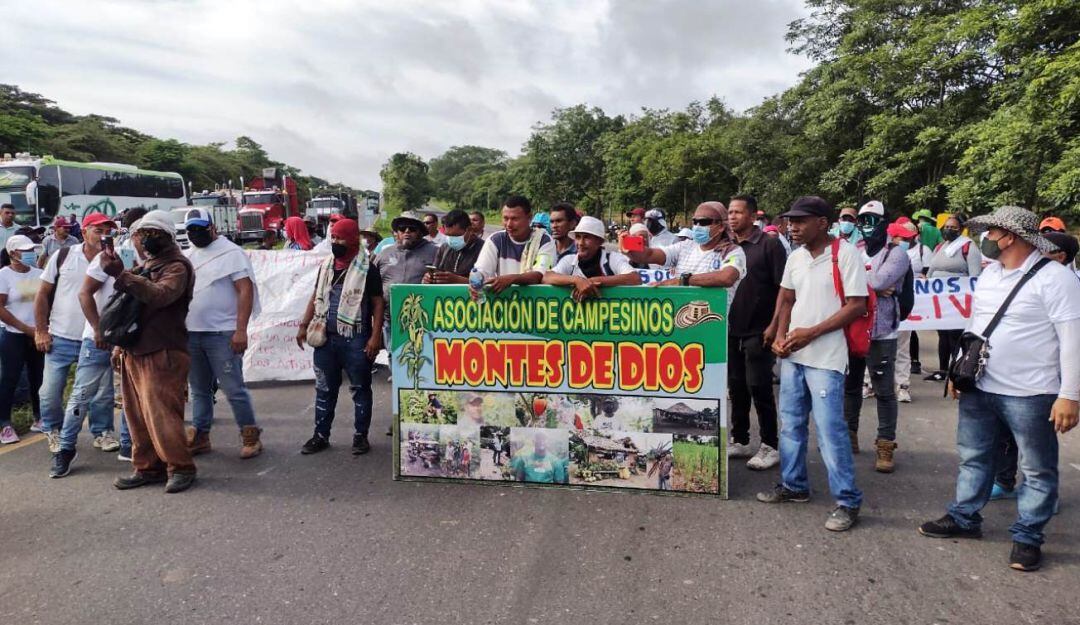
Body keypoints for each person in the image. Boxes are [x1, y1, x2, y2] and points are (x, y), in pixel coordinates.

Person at [918, 206, 1080, 573]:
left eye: (991, 232)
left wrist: (1070, 395)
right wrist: (957, 372)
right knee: (973, 456)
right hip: (980, 387)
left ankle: (1028, 536)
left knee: (1036, 468)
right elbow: (975, 327)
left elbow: (1073, 339)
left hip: (1032, 392)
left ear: (1012, 237)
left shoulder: (1056, 279)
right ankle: (964, 517)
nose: (985, 239)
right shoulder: (991, 275)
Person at [757, 196, 867, 533]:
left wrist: (812, 333)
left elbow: (857, 306)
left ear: (822, 223)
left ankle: (848, 501)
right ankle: (794, 485)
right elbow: (787, 298)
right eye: (790, 221)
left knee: (831, 432)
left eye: (800, 221)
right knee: (791, 425)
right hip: (794, 356)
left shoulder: (845, 254)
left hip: (826, 358)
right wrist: (779, 333)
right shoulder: (796, 256)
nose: (792, 227)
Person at [99, 210, 197, 494]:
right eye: (143, 234)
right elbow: (131, 309)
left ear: (168, 236)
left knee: (162, 414)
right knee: (137, 415)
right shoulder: (147, 266)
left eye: (153, 233)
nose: (145, 239)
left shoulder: (177, 267)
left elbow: (160, 295)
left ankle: (181, 467)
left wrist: (121, 274)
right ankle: (148, 467)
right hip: (136, 350)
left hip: (162, 350)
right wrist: (120, 346)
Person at [987, 230, 1080, 503]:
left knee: (1036, 445)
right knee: (1005, 434)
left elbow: (1072, 340)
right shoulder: (1022, 276)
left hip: (1043, 379)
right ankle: (1004, 480)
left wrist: (1069, 394)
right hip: (1009, 378)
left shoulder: (1066, 284)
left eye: (1043, 249)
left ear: (1060, 257)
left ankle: (1041, 496)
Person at [296, 218, 384, 455]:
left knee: (360, 388)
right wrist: (304, 325)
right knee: (324, 388)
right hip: (326, 338)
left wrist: (375, 337)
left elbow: (377, 303)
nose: (335, 242)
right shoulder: (327, 265)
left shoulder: (367, 269)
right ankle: (320, 436)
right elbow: (315, 295)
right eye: (333, 237)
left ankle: (360, 436)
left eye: (340, 238)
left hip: (356, 338)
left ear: (353, 240)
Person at [181, 208, 264, 459]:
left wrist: (241, 330)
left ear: (212, 228)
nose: (195, 233)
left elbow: (245, 290)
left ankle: (250, 436)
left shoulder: (232, 254)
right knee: (199, 389)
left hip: (223, 333)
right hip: (192, 334)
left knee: (233, 388)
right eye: (191, 230)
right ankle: (201, 435)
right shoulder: (188, 256)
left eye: (200, 229)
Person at [34, 213, 118, 454]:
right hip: (61, 337)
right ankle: (53, 429)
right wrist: (41, 330)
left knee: (102, 392)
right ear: (83, 232)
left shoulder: (113, 260)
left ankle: (102, 432)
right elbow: (42, 294)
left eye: (108, 232)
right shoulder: (63, 256)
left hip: (96, 338)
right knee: (50, 392)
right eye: (98, 230)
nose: (104, 236)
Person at [845, 219, 914, 472]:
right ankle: (848, 436)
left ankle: (885, 445)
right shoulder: (853, 249)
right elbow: (841, 280)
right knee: (850, 387)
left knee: (884, 391)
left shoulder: (897, 254)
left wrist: (862, 282)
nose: (867, 225)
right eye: (863, 219)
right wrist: (872, 284)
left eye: (873, 220)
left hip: (881, 331)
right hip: (853, 327)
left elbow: (878, 282)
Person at [726, 194, 787, 470]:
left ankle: (770, 445)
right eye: (730, 212)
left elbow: (784, 290)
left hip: (760, 330)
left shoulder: (769, 245)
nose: (732, 217)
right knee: (736, 386)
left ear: (752, 216)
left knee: (759, 387)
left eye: (738, 212)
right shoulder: (727, 247)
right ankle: (740, 439)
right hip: (730, 328)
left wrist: (776, 327)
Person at [623, 202, 746, 309]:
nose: (698, 226)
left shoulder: (732, 252)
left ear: (721, 226)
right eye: (695, 221)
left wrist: (682, 281)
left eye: (704, 222)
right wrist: (627, 244)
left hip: (712, 323)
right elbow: (649, 255)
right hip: (679, 321)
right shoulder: (685, 246)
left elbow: (726, 277)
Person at [925, 214, 982, 381]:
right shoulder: (941, 247)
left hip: (958, 302)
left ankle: (957, 369)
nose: (948, 230)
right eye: (947, 227)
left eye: (953, 227)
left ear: (961, 229)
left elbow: (974, 276)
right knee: (942, 335)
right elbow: (931, 270)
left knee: (954, 336)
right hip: (940, 300)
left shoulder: (968, 247)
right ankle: (942, 370)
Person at [0, 236, 44, 444]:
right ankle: (4, 424)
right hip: (13, 334)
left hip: (37, 334)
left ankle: (39, 417)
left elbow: (44, 302)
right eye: (25, 250)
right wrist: (25, 329)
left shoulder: (39, 274)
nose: (30, 253)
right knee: (10, 379)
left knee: (38, 378)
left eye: (31, 250)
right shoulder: (4, 275)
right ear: (12, 253)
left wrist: (41, 328)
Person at [471, 196, 557, 295]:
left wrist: (512, 279)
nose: (509, 224)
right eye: (505, 218)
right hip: (504, 300)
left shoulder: (544, 241)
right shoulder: (495, 240)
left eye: (514, 219)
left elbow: (541, 275)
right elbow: (482, 270)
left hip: (535, 300)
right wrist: (476, 281)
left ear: (529, 217)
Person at [542, 216, 639, 300]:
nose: (580, 243)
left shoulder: (612, 258)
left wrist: (592, 281)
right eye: (578, 237)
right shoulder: (569, 260)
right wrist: (577, 280)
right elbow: (547, 277)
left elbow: (634, 278)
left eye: (586, 237)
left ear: (599, 241)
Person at [894, 220, 932, 402]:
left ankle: (902, 386)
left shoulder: (913, 256)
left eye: (908, 238)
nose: (905, 241)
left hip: (902, 311)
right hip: (883, 313)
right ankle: (869, 384)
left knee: (902, 349)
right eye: (902, 238)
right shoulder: (882, 255)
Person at [424, 209, 483, 284]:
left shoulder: (483, 249)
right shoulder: (444, 248)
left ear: (469, 230)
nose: (452, 240)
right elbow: (435, 271)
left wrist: (458, 280)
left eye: (456, 236)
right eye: (449, 236)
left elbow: (485, 282)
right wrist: (429, 278)